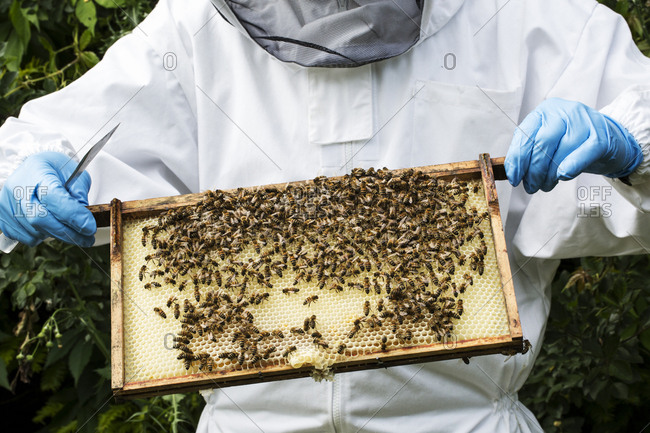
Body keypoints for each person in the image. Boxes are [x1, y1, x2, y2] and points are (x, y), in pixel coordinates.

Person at [1, 0, 650, 431]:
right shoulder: (193, 29)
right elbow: (39, 142)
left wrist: (633, 145)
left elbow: (637, 113)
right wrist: (24, 175)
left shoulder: (524, 18)